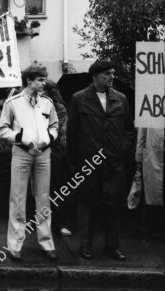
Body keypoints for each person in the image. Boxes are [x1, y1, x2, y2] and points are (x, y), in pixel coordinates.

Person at [67, 60, 135, 261]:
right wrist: (75, 165)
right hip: (88, 163)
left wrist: (121, 152)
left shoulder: (121, 99)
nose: (111, 77)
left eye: (112, 73)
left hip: (114, 162)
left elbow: (129, 130)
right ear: (95, 77)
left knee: (113, 205)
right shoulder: (79, 99)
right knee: (86, 204)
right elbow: (72, 135)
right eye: (107, 74)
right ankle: (85, 246)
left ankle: (112, 246)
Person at [0, 64, 59, 261]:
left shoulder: (47, 103)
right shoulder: (13, 102)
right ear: (29, 81)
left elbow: (55, 125)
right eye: (41, 79)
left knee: (43, 198)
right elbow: (3, 129)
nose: (44, 83)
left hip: (43, 154)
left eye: (44, 79)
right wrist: (22, 138)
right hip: (21, 153)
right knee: (18, 198)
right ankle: (15, 245)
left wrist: (48, 139)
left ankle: (46, 242)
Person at [43, 80, 73, 237]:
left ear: (50, 92)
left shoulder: (59, 108)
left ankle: (59, 223)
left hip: (52, 149)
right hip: (34, 149)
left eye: (43, 90)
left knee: (54, 187)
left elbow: (54, 130)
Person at [135, 128, 163, 239]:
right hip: (152, 155)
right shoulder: (149, 112)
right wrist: (139, 157)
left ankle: (157, 227)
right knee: (150, 192)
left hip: (155, 153)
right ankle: (148, 228)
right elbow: (141, 135)